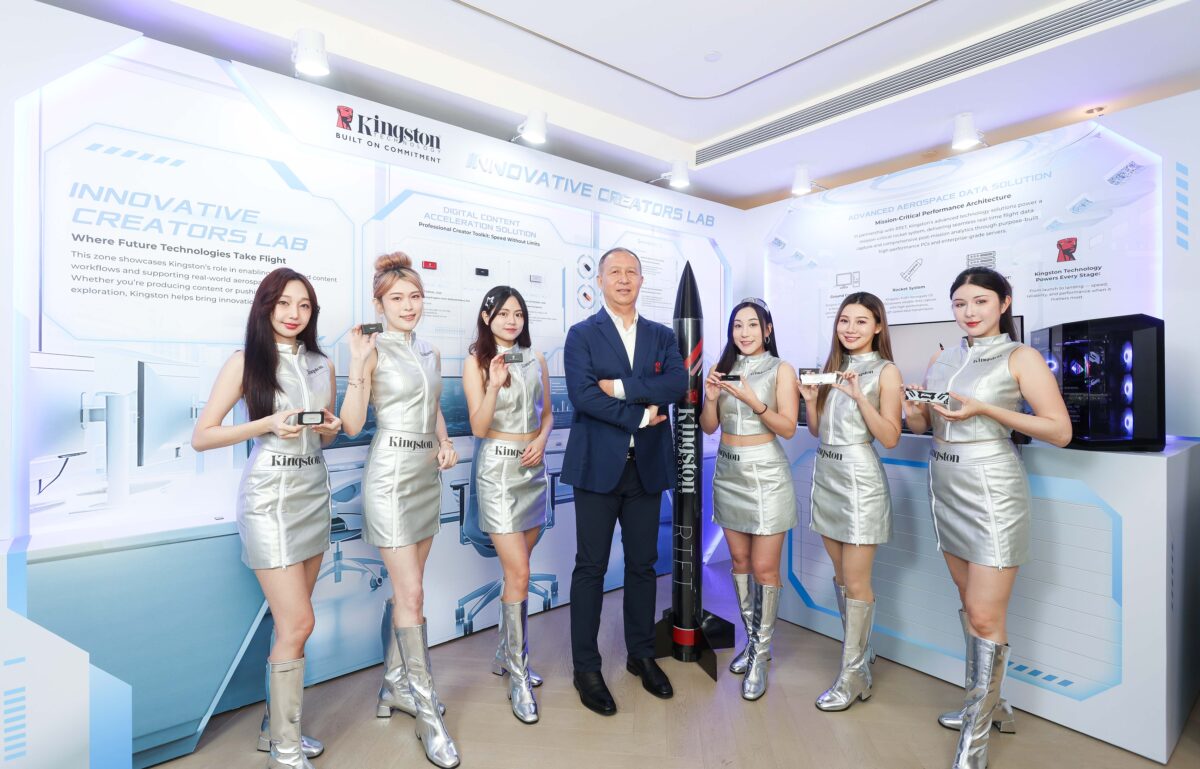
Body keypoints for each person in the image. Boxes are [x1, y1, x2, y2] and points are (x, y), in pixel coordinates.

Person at [903, 268, 1070, 769]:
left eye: (980, 301)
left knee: (984, 614)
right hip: (945, 486)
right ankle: (988, 705)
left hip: (993, 489)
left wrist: (986, 410)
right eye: (960, 303)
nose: (969, 312)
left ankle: (973, 743)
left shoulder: (1021, 357)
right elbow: (922, 426)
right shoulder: (942, 358)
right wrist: (914, 407)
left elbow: (1059, 430)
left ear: (1004, 303)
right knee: (970, 605)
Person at [191, 268, 341, 769]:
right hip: (269, 500)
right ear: (266, 308)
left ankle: (273, 729)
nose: (294, 314)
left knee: (289, 625)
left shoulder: (322, 363)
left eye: (304, 305)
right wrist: (266, 423)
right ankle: (285, 748)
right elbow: (203, 436)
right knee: (300, 621)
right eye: (284, 304)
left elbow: (324, 437)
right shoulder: (245, 361)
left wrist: (331, 426)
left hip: (313, 495)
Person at [340, 253, 460, 769]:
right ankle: (428, 714)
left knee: (408, 590)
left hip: (425, 478)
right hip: (389, 477)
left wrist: (445, 442)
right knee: (412, 594)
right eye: (396, 298)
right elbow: (350, 424)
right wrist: (356, 363)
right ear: (379, 304)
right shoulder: (371, 350)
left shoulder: (430, 351)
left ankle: (395, 684)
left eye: (415, 296)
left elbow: (432, 408)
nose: (408, 306)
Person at [562, 247, 687, 716]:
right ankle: (586, 668)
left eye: (631, 271)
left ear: (641, 280)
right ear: (600, 280)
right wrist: (638, 414)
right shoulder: (582, 335)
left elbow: (675, 384)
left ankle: (641, 655)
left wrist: (619, 387)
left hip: (646, 469)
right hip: (597, 467)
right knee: (590, 568)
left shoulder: (661, 335)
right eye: (614, 271)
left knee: (642, 566)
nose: (623, 278)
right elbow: (583, 395)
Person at [799, 292, 901, 712]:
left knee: (857, 582)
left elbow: (890, 437)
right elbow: (818, 431)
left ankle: (853, 676)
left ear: (878, 326)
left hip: (861, 481)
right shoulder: (832, 368)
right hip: (827, 477)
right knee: (841, 578)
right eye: (844, 320)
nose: (851, 328)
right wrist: (810, 401)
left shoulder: (885, 371)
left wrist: (860, 397)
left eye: (861, 321)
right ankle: (860, 657)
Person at [699, 298, 799, 701]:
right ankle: (753, 644)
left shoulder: (781, 369)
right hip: (729, 472)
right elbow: (709, 428)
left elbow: (788, 428)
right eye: (737, 325)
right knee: (739, 562)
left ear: (767, 330)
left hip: (767, 475)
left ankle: (761, 655)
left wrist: (751, 399)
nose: (744, 332)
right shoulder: (722, 368)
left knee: (764, 567)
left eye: (752, 325)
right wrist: (710, 397)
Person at [463, 285, 553, 724]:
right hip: (497, 470)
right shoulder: (476, 362)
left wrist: (541, 440)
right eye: (503, 314)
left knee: (517, 571)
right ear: (487, 318)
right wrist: (495, 387)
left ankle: (505, 653)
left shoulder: (536, 358)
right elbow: (479, 428)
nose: (512, 321)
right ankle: (518, 675)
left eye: (518, 314)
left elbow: (547, 414)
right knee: (519, 573)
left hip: (532, 471)